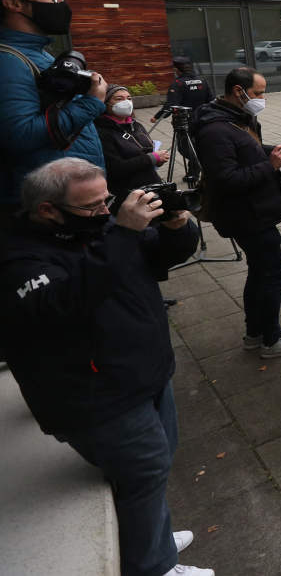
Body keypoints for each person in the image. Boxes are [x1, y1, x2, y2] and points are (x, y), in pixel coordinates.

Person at [0, 159, 209, 576]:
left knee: (156, 464)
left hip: (143, 372)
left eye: (106, 200)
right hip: (95, 394)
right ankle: (153, 567)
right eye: (92, 206)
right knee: (145, 468)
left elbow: (158, 255)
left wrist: (176, 225)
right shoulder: (19, 256)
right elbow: (62, 305)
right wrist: (121, 233)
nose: (104, 211)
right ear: (47, 209)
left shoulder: (97, 230)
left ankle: (154, 537)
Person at [191, 67, 281, 358]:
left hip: (254, 211)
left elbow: (249, 151)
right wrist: (269, 165)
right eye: (258, 92)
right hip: (245, 216)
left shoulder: (237, 118)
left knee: (260, 272)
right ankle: (271, 340)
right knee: (272, 273)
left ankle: (256, 331)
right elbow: (226, 179)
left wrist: (279, 151)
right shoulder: (215, 130)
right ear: (238, 91)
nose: (262, 98)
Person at [0, 0, 107, 210]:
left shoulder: (36, 54)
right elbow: (21, 135)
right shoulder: (8, 61)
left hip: (69, 198)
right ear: (13, 3)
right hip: (48, 206)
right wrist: (92, 102)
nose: (57, 2)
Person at [96, 84, 166, 198]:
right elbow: (115, 168)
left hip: (152, 183)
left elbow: (143, 153)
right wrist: (151, 158)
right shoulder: (102, 131)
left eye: (129, 98)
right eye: (119, 99)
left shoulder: (136, 125)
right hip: (129, 191)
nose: (126, 102)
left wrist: (157, 160)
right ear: (106, 103)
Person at [151, 57, 214, 125]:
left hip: (185, 120)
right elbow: (211, 99)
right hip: (203, 117)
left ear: (176, 70)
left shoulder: (177, 84)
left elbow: (171, 104)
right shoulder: (203, 80)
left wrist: (156, 117)